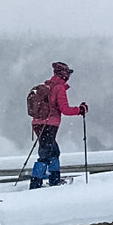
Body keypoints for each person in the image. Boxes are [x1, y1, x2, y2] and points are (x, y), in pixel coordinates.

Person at [30, 61, 88, 189]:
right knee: (46, 154)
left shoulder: (47, 86)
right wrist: (80, 110)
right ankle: (40, 182)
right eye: (68, 74)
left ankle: (49, 179)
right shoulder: (59, 88)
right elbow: (65, 109)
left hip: (37, 123)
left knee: (52, 151)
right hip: (49, 124)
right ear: (64, 75)